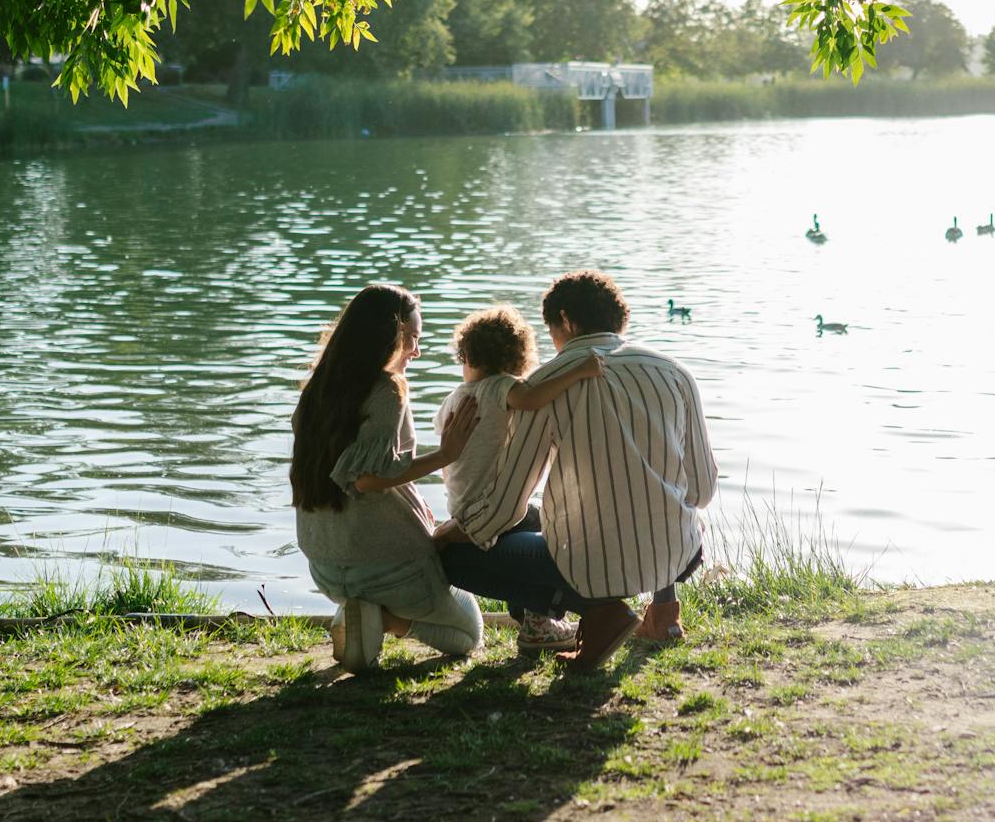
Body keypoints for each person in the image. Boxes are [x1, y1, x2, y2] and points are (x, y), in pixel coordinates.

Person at [437, 270, 717, 672]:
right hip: (682, 554)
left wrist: (451, 532)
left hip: (593, 569)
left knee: (457, 558)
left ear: (565, 321)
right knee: (655, 496)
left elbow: (506, 505)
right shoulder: (673, 371)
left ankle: (599, 612)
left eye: (552, 330)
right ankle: (663, 613)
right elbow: (702, 491)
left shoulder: (547, 382)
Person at [291, 283, 484, 672]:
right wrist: (447, 454)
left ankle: (360, 613)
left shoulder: (317, 389)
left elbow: (356, 475)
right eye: (412, 338)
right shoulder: (388, 391)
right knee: (471, 634)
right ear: (386, 337)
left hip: (324, 565)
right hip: (386, 566)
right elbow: (365, 478)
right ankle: (382, 619)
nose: (417, 350)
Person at [433, 304, 604, 653]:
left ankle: (535, 619)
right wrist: (578, 371)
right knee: (544, 521)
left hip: (462, 504)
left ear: (466, 355)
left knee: (534, 518)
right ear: (516, 358)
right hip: (488, 509)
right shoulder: (501, 388)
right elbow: (531, 398)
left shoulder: (454, 399)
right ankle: (540, 622)